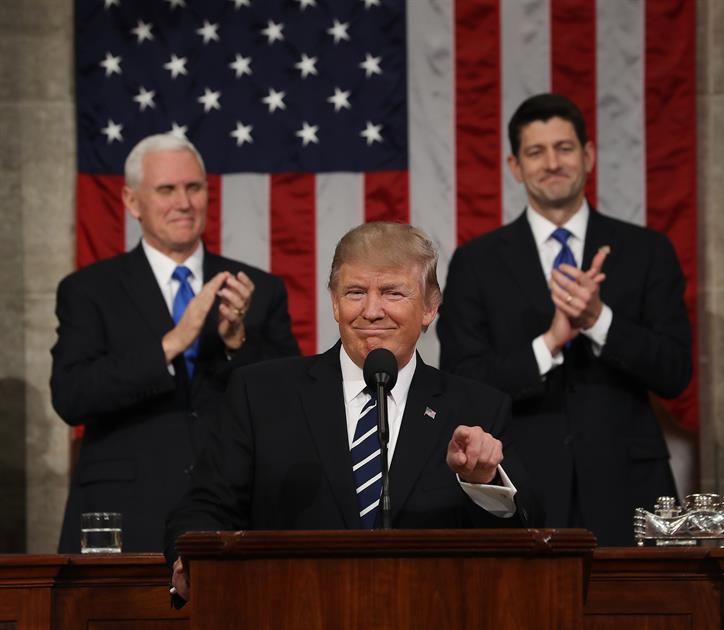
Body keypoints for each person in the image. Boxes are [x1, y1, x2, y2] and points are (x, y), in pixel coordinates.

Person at [166, 222, 529, 601]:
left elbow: (522, 537)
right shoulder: (261, 394)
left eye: (392, 293)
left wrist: (482, 482)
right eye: (356, 292)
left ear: (430, 308)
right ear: (335, 303)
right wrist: (187, 559)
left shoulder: (477, 407)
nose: (372, 311)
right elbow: (205, 506)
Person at [436, 93, 692, 546]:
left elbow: (674, 372)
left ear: (589, 155)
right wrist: (549, 343)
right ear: (515, 166)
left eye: (565, 148)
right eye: (536, 151)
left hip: (629, 488)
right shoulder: (477, 262)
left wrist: (599, 320)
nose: (552, 162)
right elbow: (463, 377)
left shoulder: (647, 250)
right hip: (522, 485)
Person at [51, 134, 300, 553]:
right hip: (125, 516)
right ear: (132, 202)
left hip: (232, 514)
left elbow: (291, 403)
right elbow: (71, 396)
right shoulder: (88, 290)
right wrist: (171, 343)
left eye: (194, 188)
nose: (184, 203)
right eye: (166, 189)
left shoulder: (257, 289)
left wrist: (237, 343)